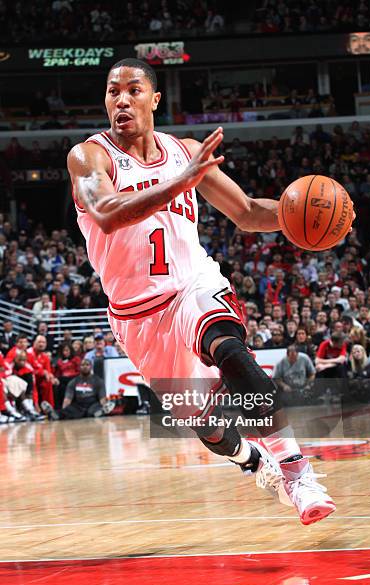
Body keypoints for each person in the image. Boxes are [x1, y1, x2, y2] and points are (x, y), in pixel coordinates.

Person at [67, 57, 336, 525]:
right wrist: (179, 181)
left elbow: (249, 211)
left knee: (229, 349)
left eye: (133, 90)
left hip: (194, 285)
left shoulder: (184, 150)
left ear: (154, 99)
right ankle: (256, 463)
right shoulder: (90, 156)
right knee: (209, 426)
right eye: (113, 92)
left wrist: (298, 217)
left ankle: (297, 472)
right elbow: (107, 212)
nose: (121, 100)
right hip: (137, 316)